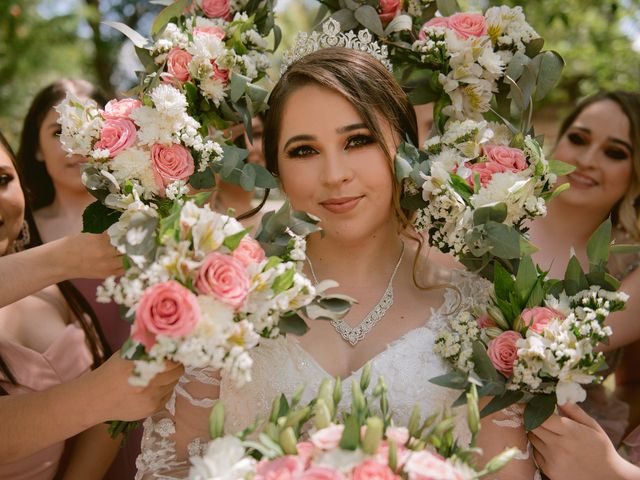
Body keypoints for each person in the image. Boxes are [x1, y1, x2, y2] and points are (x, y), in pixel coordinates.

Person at [135, 46, 536, 479]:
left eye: (357, 141)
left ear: (405, 151)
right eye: (304, 151)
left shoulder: (480, 314)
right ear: (275, 170)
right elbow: (169, 467)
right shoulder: (225, 304)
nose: (334, 174)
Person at [0, 130, 183, 477]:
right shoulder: (57, 264)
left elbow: (104, 420)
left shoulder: (54, 289)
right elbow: (103, 396)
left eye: (1, 179)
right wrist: (99, 395)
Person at [16, 79, 142, 478]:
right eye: (58, 132)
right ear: (35, 148)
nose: (74, 142)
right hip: (57, 429)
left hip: (149, 402)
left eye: (89, 127)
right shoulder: (15, 233)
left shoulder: (143, 217)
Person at [527, 91, 640, 448]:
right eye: (578, 139)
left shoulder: (631, 267)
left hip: (550, 446)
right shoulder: (493, 212)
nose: (588, 160)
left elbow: (563, 344)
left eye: (615, 152)